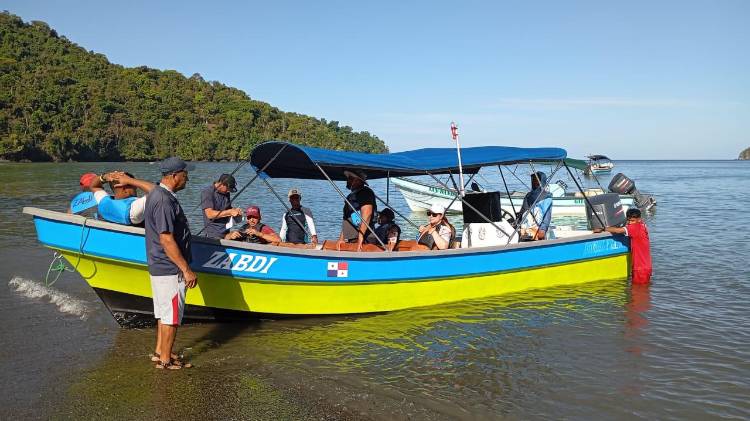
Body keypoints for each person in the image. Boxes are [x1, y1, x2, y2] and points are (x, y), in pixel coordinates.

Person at [144, 157, 196, 370]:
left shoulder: (156, 193)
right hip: (169, 268)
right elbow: (166, 238)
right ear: (174, 176)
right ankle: (165, 361)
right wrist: (186, 269)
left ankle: (160, 352)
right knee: (172, 316)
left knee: (164, 313)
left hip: (159, 265)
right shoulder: (164, 200)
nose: (187, 178)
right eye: (185, 174)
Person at [603, 208, 653, 284]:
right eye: (628, 220)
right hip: (646, 267)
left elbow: (618, 230)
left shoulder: (634, 228)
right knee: (644, 291)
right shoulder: (643, 225)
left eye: (632, 221)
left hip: (640, 268)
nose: (630, 223)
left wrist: (604, 228)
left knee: (637, 292)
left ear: (639, 219)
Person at [88, 171, 155, 225]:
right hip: (131, 215)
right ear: (125, 188)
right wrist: (130, 180)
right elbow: (158, 192)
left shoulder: (104, 202)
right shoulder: (134, 208)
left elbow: (93, 186)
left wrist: (104, 177)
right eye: (134, 185)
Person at [336, 169, 377, 251]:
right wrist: (341, 238)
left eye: (350, 178)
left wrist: (360, 236)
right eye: (348, 178)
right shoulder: (351, 196)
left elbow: (367, 213)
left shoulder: (365, 192)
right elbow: (347, 219)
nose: (348, 180)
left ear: (358, 181)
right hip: (352, 238)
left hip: (366, 238)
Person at [201, 174, 243, 239]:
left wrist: (235, 212)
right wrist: (229, 212)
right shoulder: (208, 192)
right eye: (228, 189)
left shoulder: (226, 193)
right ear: (222, 184)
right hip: (213, 235)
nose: (229, 191)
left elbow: (227, 209)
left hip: (226, 232)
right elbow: (209, 214)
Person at [518, 171, 553, 240]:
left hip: (539, 229)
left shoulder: (546, 197)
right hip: (526, 228)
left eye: (537, 180)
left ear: (542, 181)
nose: (534, 182)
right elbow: (523, 211)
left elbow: (547, 216)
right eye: (533, 180)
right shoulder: (528, 195)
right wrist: (518, 223)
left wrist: (543, 229)